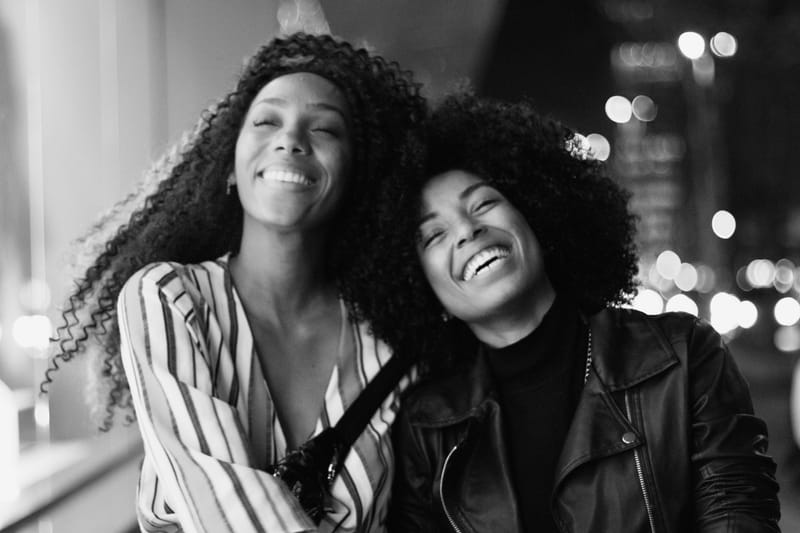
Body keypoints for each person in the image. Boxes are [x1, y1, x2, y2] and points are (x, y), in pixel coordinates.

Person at [44, 32, 425, 532]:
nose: (291, 139)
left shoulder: (387, 341)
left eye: (325, 129)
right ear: (229, 165)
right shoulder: (170, 298)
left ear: (357, 178)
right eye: (267, 121)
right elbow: (224, 509)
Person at [353, 93, 782, 532]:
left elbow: (739, 515)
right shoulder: (427, 427)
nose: (467, 229)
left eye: (483, 204)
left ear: (536, 212)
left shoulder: (685, 356)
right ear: (417, 284)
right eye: (433, 235)